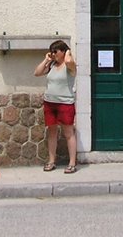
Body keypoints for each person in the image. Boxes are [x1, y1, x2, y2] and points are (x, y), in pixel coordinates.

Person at [34, 39, 77, 173]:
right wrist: (46, 60)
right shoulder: (52, 65)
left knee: (68, 133)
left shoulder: (70, 66)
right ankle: (51, 161)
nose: (53, 54)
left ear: (64, 52)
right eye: (51, 51)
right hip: (50, 102)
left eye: (56, 51)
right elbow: (37, 72)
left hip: (65, 103)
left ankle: (72, 163)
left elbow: (69, 61)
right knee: (52, 132)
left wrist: (68, 53)